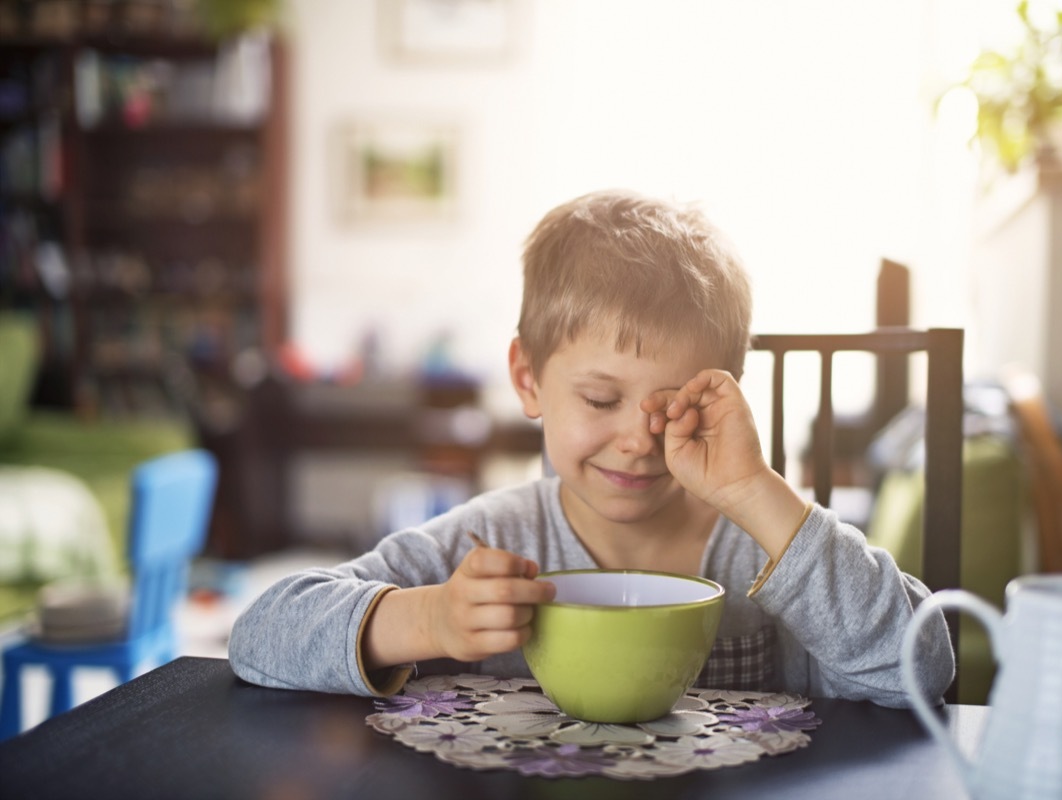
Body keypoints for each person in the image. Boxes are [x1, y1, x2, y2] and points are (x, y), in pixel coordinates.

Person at [228, 189, 956, 708]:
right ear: (528, 378)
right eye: (601, 400)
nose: (639, 438)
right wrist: (430, 620)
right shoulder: (491, 539)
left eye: (672, 407)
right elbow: (261, 634)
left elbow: (922, 670)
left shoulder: (766, 546)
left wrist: (758, 493)